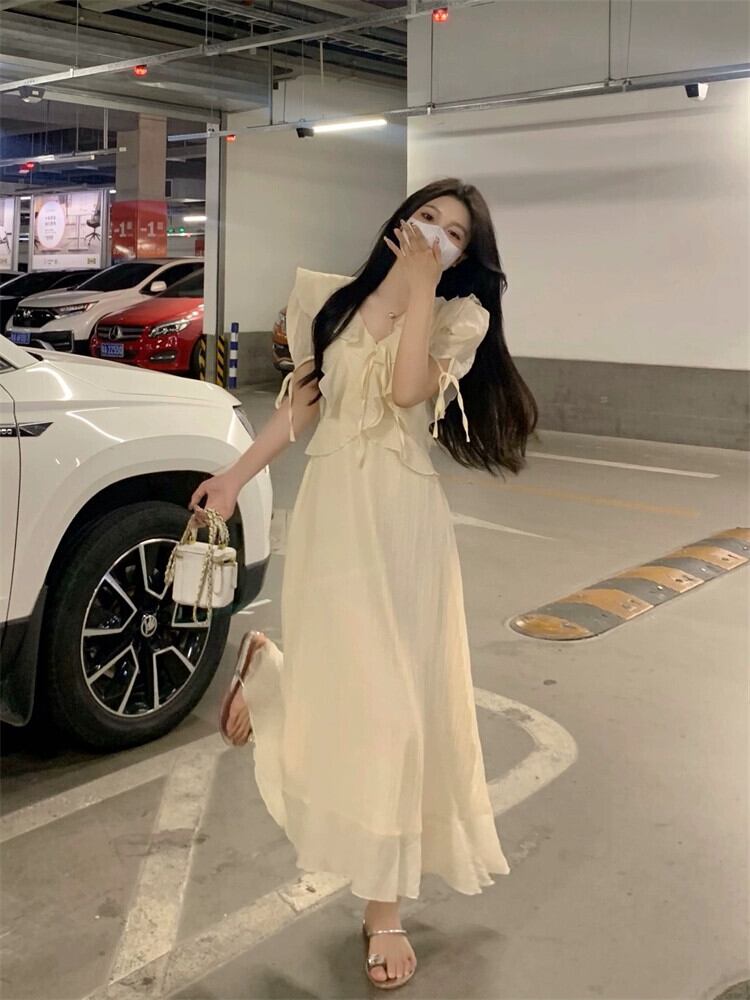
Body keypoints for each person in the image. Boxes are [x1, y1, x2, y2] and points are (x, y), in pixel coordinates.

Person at [189, 177, 539, 989]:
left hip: (405, 524)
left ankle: (383, 908)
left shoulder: (460, 317)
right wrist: (235, 477)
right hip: (335, 515)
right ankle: (279, 681)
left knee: (401, 712)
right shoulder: (329, 300)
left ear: (465, 256)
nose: (436, 234)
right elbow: (302, 410)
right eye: (428, 217)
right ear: (400, 221)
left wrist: (419, 289)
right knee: (374, 703)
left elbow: (406, 390)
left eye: (455, 233)